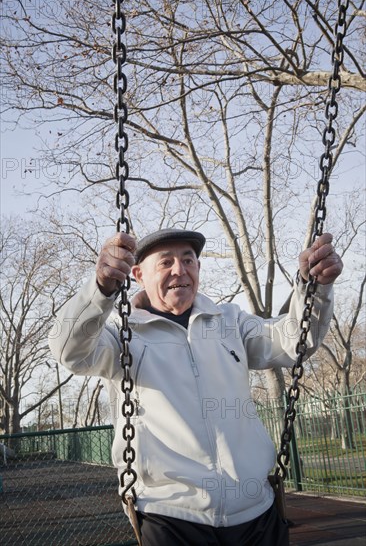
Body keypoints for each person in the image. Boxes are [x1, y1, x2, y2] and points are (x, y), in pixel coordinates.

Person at [49, 228, 343, 546]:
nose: (180, 270)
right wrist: (101, 288)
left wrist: (315, 286)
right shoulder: (120, 336)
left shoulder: (230, 322)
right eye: (166, 262)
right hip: (171, 515)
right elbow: (69, 350)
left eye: (188, 260)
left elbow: (293, 342)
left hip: (255, 508)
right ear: (137, 274)